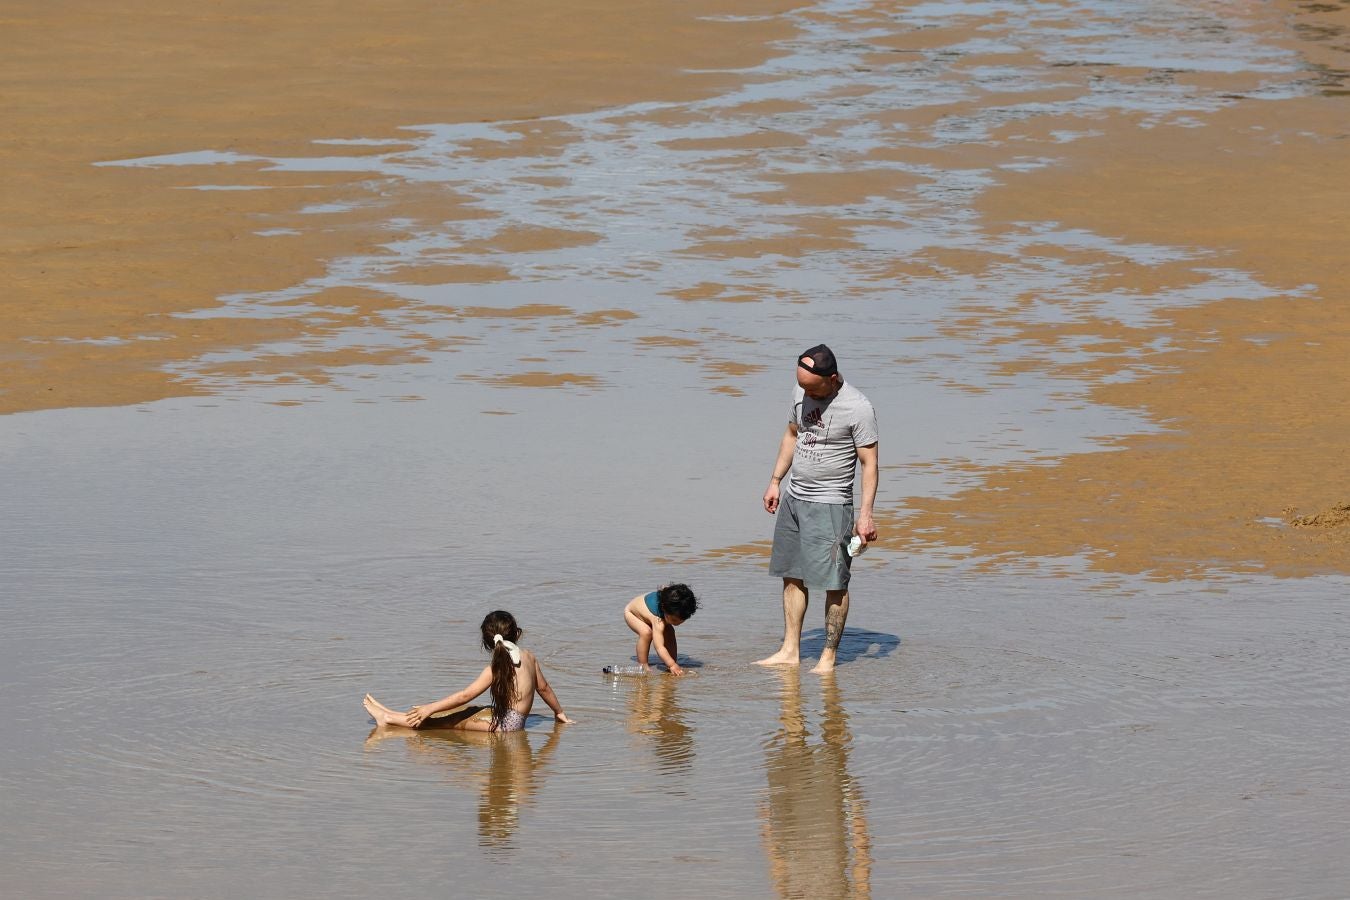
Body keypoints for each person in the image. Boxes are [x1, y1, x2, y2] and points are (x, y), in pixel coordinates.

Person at [756, 344, 878, 674]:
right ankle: (790, 650)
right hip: (795, 499)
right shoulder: (801, 389)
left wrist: (865, 515)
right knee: (792, 576)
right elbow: (792, 434)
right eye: (802, 386)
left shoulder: (858, 408)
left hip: (832, 505)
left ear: (833, 378)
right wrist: (775, 481)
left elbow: (869, 464)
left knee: (834, 582)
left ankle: (828, 657)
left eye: (812, 387)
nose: (806, 392)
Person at [364, 610, 572, 732]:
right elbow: (543, 688)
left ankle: (388, 719)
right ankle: (392, 713)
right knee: (469, 710)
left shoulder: (495, 668)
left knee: (446, 721)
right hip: (513, 722)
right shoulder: (529, 656)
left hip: (505, 728)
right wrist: (559, 712)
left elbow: (464, 695)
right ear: (517, 634)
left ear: (487, 642)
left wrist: (430, 707)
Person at [622, 583, 700, 675]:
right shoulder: (658, 621)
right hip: (632, 613)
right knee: (646, 633)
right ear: (664, 609)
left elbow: (667, 588)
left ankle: (672, 660)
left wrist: (673, 663)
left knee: (670, 631)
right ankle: (642, 665)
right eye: (674, 620)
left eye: (682, 620)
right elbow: (659, 647)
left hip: (648, 613)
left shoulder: (670, 599)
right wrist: (671, 665)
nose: (677, 623)